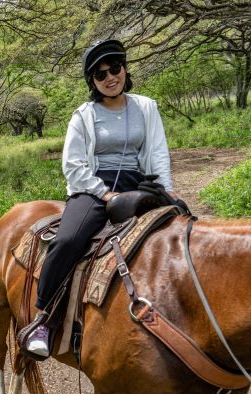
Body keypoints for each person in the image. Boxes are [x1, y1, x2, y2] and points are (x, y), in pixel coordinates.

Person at [18, 39, 179, 359]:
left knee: (183, 225)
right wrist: (105, 194)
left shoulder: (146, 106)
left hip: (140, 183)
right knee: (68, 240)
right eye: (100, 73)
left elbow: (158, 154)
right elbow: (74, 165)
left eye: (115, 68)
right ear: (92, 81)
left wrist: (167, 189)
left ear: (125, 68)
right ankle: (43, 320)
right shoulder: (84, 115)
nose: (110, 77)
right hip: (92, 187)